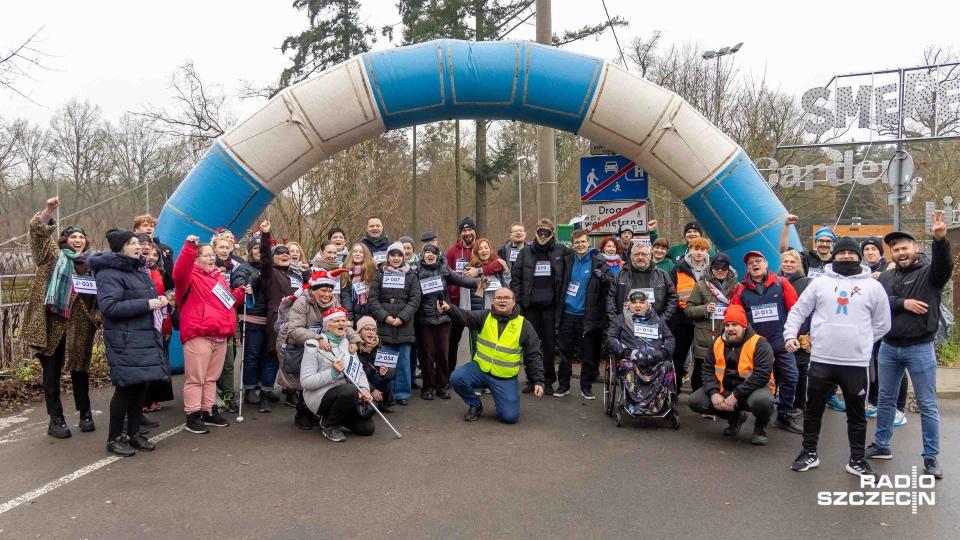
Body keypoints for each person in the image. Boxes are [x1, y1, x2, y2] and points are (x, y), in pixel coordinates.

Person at [785, 237, 891, 478]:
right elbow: (798, 310)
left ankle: (856, 460)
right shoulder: (820, 283)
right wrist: (790, 334)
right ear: (834, 255)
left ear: (858, 257)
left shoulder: (873, 287)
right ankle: (809, 453)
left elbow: (883, 323)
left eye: (851, 253)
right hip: (821, 359)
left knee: (857, 415)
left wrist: (861, 341)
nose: (845, 257)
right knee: (813, 410)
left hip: (855, 363)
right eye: (841, 252)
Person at [865, 217, 954, 479]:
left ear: (916, 247)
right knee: (885, 399)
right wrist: (903, 302)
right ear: (891, 253)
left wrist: (939, 240)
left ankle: (931, 458)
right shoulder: (888, 275)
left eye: (905, 248)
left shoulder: (930, 273)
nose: (901, 253)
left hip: (920, 348)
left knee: (927, 404)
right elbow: (878, 301)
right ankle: (881, 445)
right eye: (896, 249)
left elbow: (944, 266)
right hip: (889, 347)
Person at [24, 197, 100, 439]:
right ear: (64, 241)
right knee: (52, 373)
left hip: (81, 326)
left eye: (81, 237)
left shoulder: (94, 266)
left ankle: (85, 414)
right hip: (52, 325)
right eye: (72, 237)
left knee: (80, 370)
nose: (77, 240)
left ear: (86, 241)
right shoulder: (51, 258)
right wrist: (49, 210)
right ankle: (55, 419)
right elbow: (38, 235)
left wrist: (97, 319)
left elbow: (100, 299)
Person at [89, 229, 168, 456]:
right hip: (125, 339)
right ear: (120, 248)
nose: (138, 246)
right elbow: (109, 307)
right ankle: (114, 438)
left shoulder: (140, 269)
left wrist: (158, 301)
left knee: (140, 388)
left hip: (144, 336)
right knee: (125, 389)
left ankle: (134, 435)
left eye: (138, 242)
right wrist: (148, 304)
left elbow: (144, 300)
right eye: (132, 243)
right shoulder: (109, 272)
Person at [173, 236, 250, 434]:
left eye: (211, 255)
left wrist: (240, 293)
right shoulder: (189, 277)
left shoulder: (218, 277)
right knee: (196, 378)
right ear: (196, 259)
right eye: (206, 255)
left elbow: (228, 302)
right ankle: (193, 415)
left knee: (211, 378)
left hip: (220, 334)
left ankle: (209, 410)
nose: (211, 258)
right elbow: (179, 272)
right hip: (199, 333)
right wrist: (190, 247)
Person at [438, 289, 545, 423]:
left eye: (506, 298)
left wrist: (538, 380)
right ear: (493, 301)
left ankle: (501, 397)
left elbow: (534, 354)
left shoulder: (524, 325)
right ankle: (475, 405)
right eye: (498, 298)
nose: (502, 301)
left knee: (509, 417)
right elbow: (465, 316)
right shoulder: (485, 316)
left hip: (504, 378)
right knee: (457, 377)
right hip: (480, 370)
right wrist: (449, 308)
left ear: (514, 302)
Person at [278, 269, 361, 430]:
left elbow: (342, 321)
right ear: (314, 290)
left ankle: (314, 412)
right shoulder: (303, 302)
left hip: (320, 342)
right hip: (297, 343)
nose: (327, 294)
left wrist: (354, 339)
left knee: (318, 374)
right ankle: (301, 413)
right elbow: (294, 330)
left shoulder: (334, 300)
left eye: (330, 290)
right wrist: (318, 338)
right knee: (301, 378)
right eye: (323, 290)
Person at [731, 250, 803, 434]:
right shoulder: (741, 290)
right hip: (756, 348)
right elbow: (736, 317)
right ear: (747, 268)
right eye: (750, 263)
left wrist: (793, 335)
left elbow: (796, 310)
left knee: (791, 377)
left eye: (758, 261)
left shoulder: (781, 283)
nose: (755, 265)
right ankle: (758, 418)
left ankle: (785, 415)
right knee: (757, 382)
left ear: (765, 263)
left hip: (781, 343)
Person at [688, 304, 776, 445]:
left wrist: (735, 395)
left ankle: (760, 427)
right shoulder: (717, 343)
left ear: (744, 326)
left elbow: (761, 375)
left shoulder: (760, 344)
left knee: (763, 402)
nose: (730, 329)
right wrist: (713, 393)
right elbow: (707, 369)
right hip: (725, 390)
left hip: (753, 391)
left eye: (735, 324)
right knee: (695, 401)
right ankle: (735, 418)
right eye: (727, 325)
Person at [509, 218, 570, 395]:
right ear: (535, 233)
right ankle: (532, 379)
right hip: (530, 307)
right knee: (530, 344)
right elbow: (516, 278)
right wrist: (517, 302)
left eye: (547, 233)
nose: (543, 236)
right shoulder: (526, 252)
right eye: (540, 232)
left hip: (550, 307)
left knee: (550, 345)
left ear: (552, 234)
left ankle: (549, 380)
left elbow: (581, 254)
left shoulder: (561, 251)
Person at [300, 306, 375, 442]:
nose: (341, 323)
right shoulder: (313, 345)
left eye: (343, 321)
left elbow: (359, 372)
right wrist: (332, 373)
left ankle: (334, 416)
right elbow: (306, 382)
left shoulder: (349, 344)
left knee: (367, 428)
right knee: (349, 390)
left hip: (346, 395)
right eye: (336, 321)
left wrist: (364, 389)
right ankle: (330, 426)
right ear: (327, 326)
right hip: (319, 395)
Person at [415, 244, 480, 400]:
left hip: (444, 319)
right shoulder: (416, 272)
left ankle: (442, 386)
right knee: (427, 356)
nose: (430, 255)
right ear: (422, 255)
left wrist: (478, 282)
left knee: (443, 355)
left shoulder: (444, 270)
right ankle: (428, 387)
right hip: (424, 320)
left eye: (434, 253)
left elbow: (461, 279)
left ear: (438, 255)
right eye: (427, 252)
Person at [557, 229, 612, 399]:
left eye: (583, 242)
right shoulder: (567, 261)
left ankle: (586, 386)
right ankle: (563, 385)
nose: (580, 245)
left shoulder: (598, 261)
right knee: (565, 353)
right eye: (577, 242)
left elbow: (610, 283)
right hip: (567, 314)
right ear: (572, 245)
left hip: (586, 315)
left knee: (587, 354)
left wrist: (602, 278)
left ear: (589, 243)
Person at [253, 221, 302, 412]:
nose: (284, 256)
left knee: (294, 357)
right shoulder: (270, 273)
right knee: (273, 358)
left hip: (297, 321)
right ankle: (265, 394)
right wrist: (266, 235)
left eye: (287, 254)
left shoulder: (296, 275)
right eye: (280, 254)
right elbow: (264, 258)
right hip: (277, 321)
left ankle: (291, 392)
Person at [445, 217, 503, 376]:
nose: (467, 232)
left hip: (479, 304)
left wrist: (479, 271)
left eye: (470, 229)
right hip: (457, 303)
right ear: (460, 233)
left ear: (474, 231)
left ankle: (484, 375)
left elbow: (499, 264)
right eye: (464, 230)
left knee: (481, 342)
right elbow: (445, 272)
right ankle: (448, 375)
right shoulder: (452, 251)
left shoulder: (484, 248)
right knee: (452, 342)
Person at [861, 237, 908, 423]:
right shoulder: (863, 271)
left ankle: (899, 407)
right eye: (866, 249)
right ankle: (873, 402)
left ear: (881, 252)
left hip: (890, 325)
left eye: (873, 249)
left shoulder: (890, 268)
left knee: (895, 366)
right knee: (872, 363)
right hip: (869, 325)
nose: (870, 252)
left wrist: (884, 276)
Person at [369, 241, 422, 405]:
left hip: (404, 326)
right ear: (388, 257)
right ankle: (388, 392)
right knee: (385, 361)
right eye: (393, 255)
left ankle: (402, 393)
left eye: (399, 255)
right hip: (385, 326)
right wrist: (385, 317)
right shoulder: (379, 275)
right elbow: (373, 299)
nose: (396, 258)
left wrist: (402, 317)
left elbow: (415, 299)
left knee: (404, 362)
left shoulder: (411, 276)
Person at [607, 290, 676, 415]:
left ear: (648, 304)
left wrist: (665, 352)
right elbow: (611, 338)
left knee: (667, 365)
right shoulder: (620, 320)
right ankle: (636, 405)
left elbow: (670, 338)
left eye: (641, 302)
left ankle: (657, 405)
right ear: (628, 305)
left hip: (655, 360)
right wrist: (625, 352)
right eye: (634, 303)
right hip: (631, 360)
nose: (638, 305)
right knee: (627, 366)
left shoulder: (658, 320)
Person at [684, 253, 738, 393]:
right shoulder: (701, 285)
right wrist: (704, 309)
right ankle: (701, 401)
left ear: (729, 268)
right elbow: (688, 310)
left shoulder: (736, 287)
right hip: (706, 336)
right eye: (717, 267)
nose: (720, 271)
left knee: (727, 370)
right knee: (702, 372)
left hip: (728, 336)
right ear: (711, 268)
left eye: (724, 268)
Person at [231, 236, 268, 408]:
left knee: (265, 355)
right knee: (251, 356)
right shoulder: (242, 269)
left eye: (262, 249)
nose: (259, 252)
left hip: (268, 318)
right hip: (251, 317)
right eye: (255, 248)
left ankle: (262, 385)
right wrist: (259, 275)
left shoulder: (272, 269)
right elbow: (241, 287)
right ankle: (249, 388)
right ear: (250, 251)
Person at [139, 237, 175, 416]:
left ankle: (154, 398)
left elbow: (167, 302)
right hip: (144, 323)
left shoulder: (159, 273)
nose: (152, 257)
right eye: (148, 253)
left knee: (160, 362)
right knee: (147, 363)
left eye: (155, 254)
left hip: (161, 322)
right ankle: (144, 400)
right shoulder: (140, 273)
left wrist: (167, 327)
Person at [669, 237, 711, 388]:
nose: (699, 253)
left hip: (705, 321)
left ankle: (698, 391)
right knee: (678, 357)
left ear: (707, 251)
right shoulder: (679, 269)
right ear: (690, 250)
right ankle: (674, 390)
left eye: (703, 250)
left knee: (702, 358)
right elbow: (671, 293)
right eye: (696, 249)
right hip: (682, 320)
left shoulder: (713, 270)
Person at [778, 249, 815, 415]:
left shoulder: (807, 283)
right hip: (779, 331)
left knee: (800, 370)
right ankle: (781, 398)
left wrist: (810, 332)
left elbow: (813, 310)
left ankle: (800, 404)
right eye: (786, 261)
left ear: (799, 264)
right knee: (777, 366)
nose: (788, 265)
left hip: (801, 332)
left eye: (792, 262)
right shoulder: (774, 281)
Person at [607, 244, 679, 327]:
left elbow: (673, 299)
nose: (640, 257)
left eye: (644, 254)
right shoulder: (619, 275)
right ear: (631, 256)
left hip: (654, 325)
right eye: (636, 254)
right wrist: (616, 322)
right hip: (626, 325)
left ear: (650, 256)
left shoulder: (662, 275)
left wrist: (662, 320)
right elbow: (611, 300)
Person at [355, 315, 396, 413]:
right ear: (359, 332)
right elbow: (354, 376)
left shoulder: (380, 347)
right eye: (367, 329)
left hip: (373, 378)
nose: (371, 332)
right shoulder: (353, 348)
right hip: (361, 383)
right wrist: (372, 390)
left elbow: (393, 371)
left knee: (385, 377)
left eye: (374, 329)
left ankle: (381, 402)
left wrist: (386, 372)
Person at [133, 214, 174, 290]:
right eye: (145, 225)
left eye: (151, 226)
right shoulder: (130, 247)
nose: (149, 228)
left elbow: (170, 280)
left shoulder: (165, 249)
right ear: (136, 229)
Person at [340, 243, 377, 329]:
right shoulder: (346, 271)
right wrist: (350, 317)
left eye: (361, 252)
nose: (357, 254)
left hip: (371, 315)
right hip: (353, 316)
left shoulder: (373, 271)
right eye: (355, 251)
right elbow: (345, 297)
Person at [648, 220, 716, 265]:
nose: (692, 234)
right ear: (685, 235)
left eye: (695, 231)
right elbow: (659, 247)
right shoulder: (676, 250)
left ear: (700, 234)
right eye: (689, 232)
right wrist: (652, 231)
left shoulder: (708, 252)